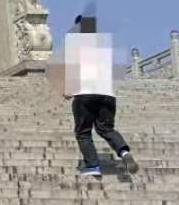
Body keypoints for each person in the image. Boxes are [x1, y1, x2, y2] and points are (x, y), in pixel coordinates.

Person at [59, 14, 137, 178]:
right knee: (106, 128)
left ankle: (93, 165)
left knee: (83, 132)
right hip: (106, 93)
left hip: (85, 93)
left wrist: (68, 90)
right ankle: (123, 152)